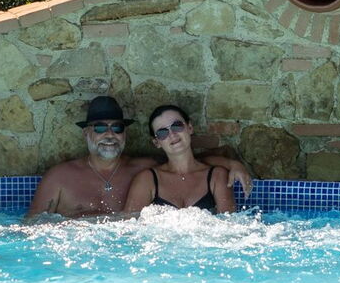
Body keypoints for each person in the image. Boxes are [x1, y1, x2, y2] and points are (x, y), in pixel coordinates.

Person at [24, 95, 147, 221]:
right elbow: (33, 224)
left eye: (117, 127)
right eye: (100, 128)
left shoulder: (143, 171)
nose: (110, 135)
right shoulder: (58, 178)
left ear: (125, 133)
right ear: (86, 133)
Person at [123, 104, 252, 214]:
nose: (172, 134)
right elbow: (131, 227)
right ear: (157, 142)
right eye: (162, 132)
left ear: (189, 128)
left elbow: (229, 225)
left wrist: (234, 164)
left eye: (177, 126)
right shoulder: (147, 180)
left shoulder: (217, 176)